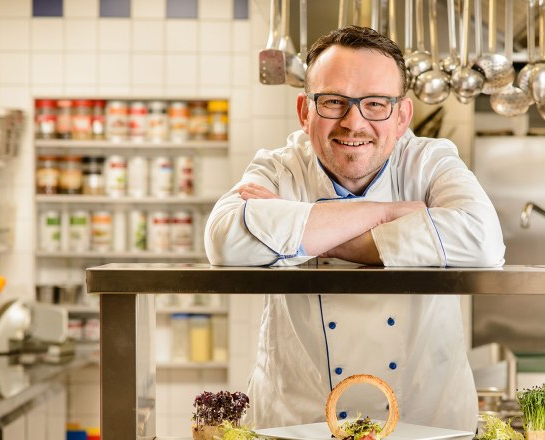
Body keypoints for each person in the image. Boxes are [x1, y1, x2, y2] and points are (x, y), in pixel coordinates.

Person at [205, 25, 505, 433]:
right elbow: (225, 241)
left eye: (376, 104)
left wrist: (305, 230)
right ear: (304, 111)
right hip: (298, 420)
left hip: (422, 422)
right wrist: (386, 214)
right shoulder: (280, 167)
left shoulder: (430, 162)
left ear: (402, 116)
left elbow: (483, 241)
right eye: (333, 101)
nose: (353, 121)